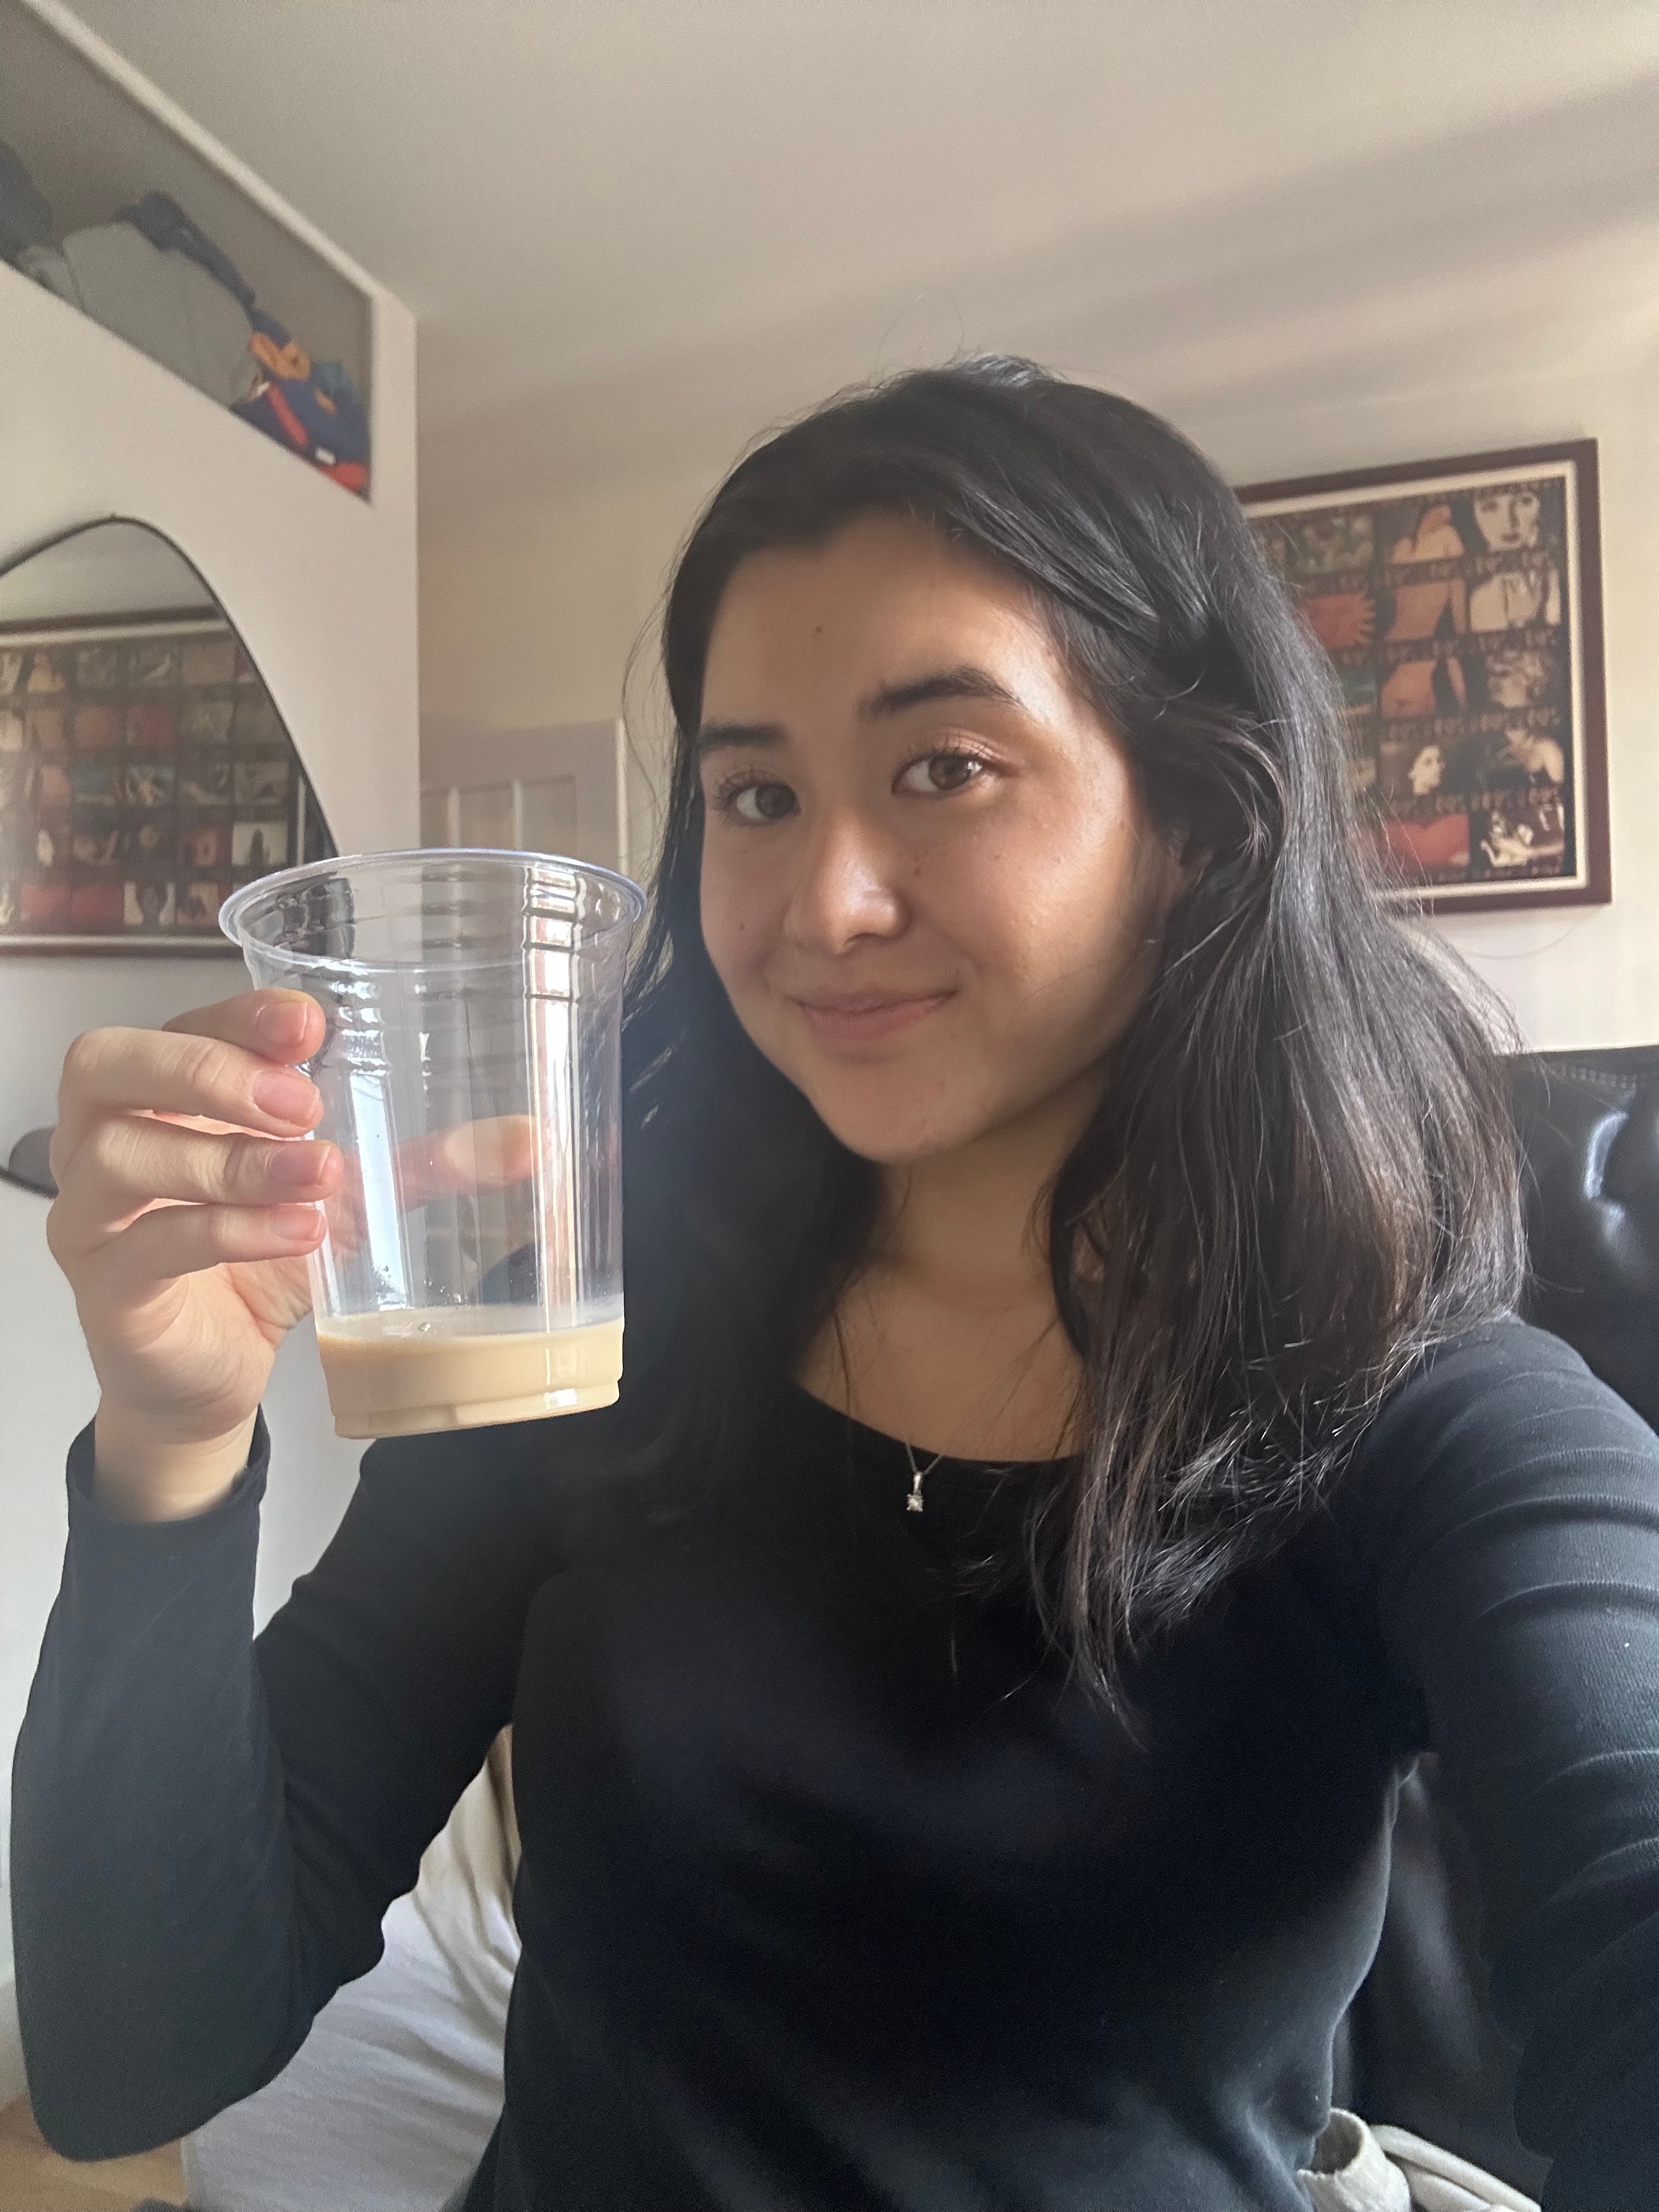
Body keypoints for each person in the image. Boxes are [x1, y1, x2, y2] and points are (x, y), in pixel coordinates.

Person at [14, 360, 1659, 2212]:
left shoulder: (1420, 1414)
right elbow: (128, 2054)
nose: (824, 904)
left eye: (943, 768)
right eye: (759, 794)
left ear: (1195, 817)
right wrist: (168, 1441)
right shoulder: (586, 1340)